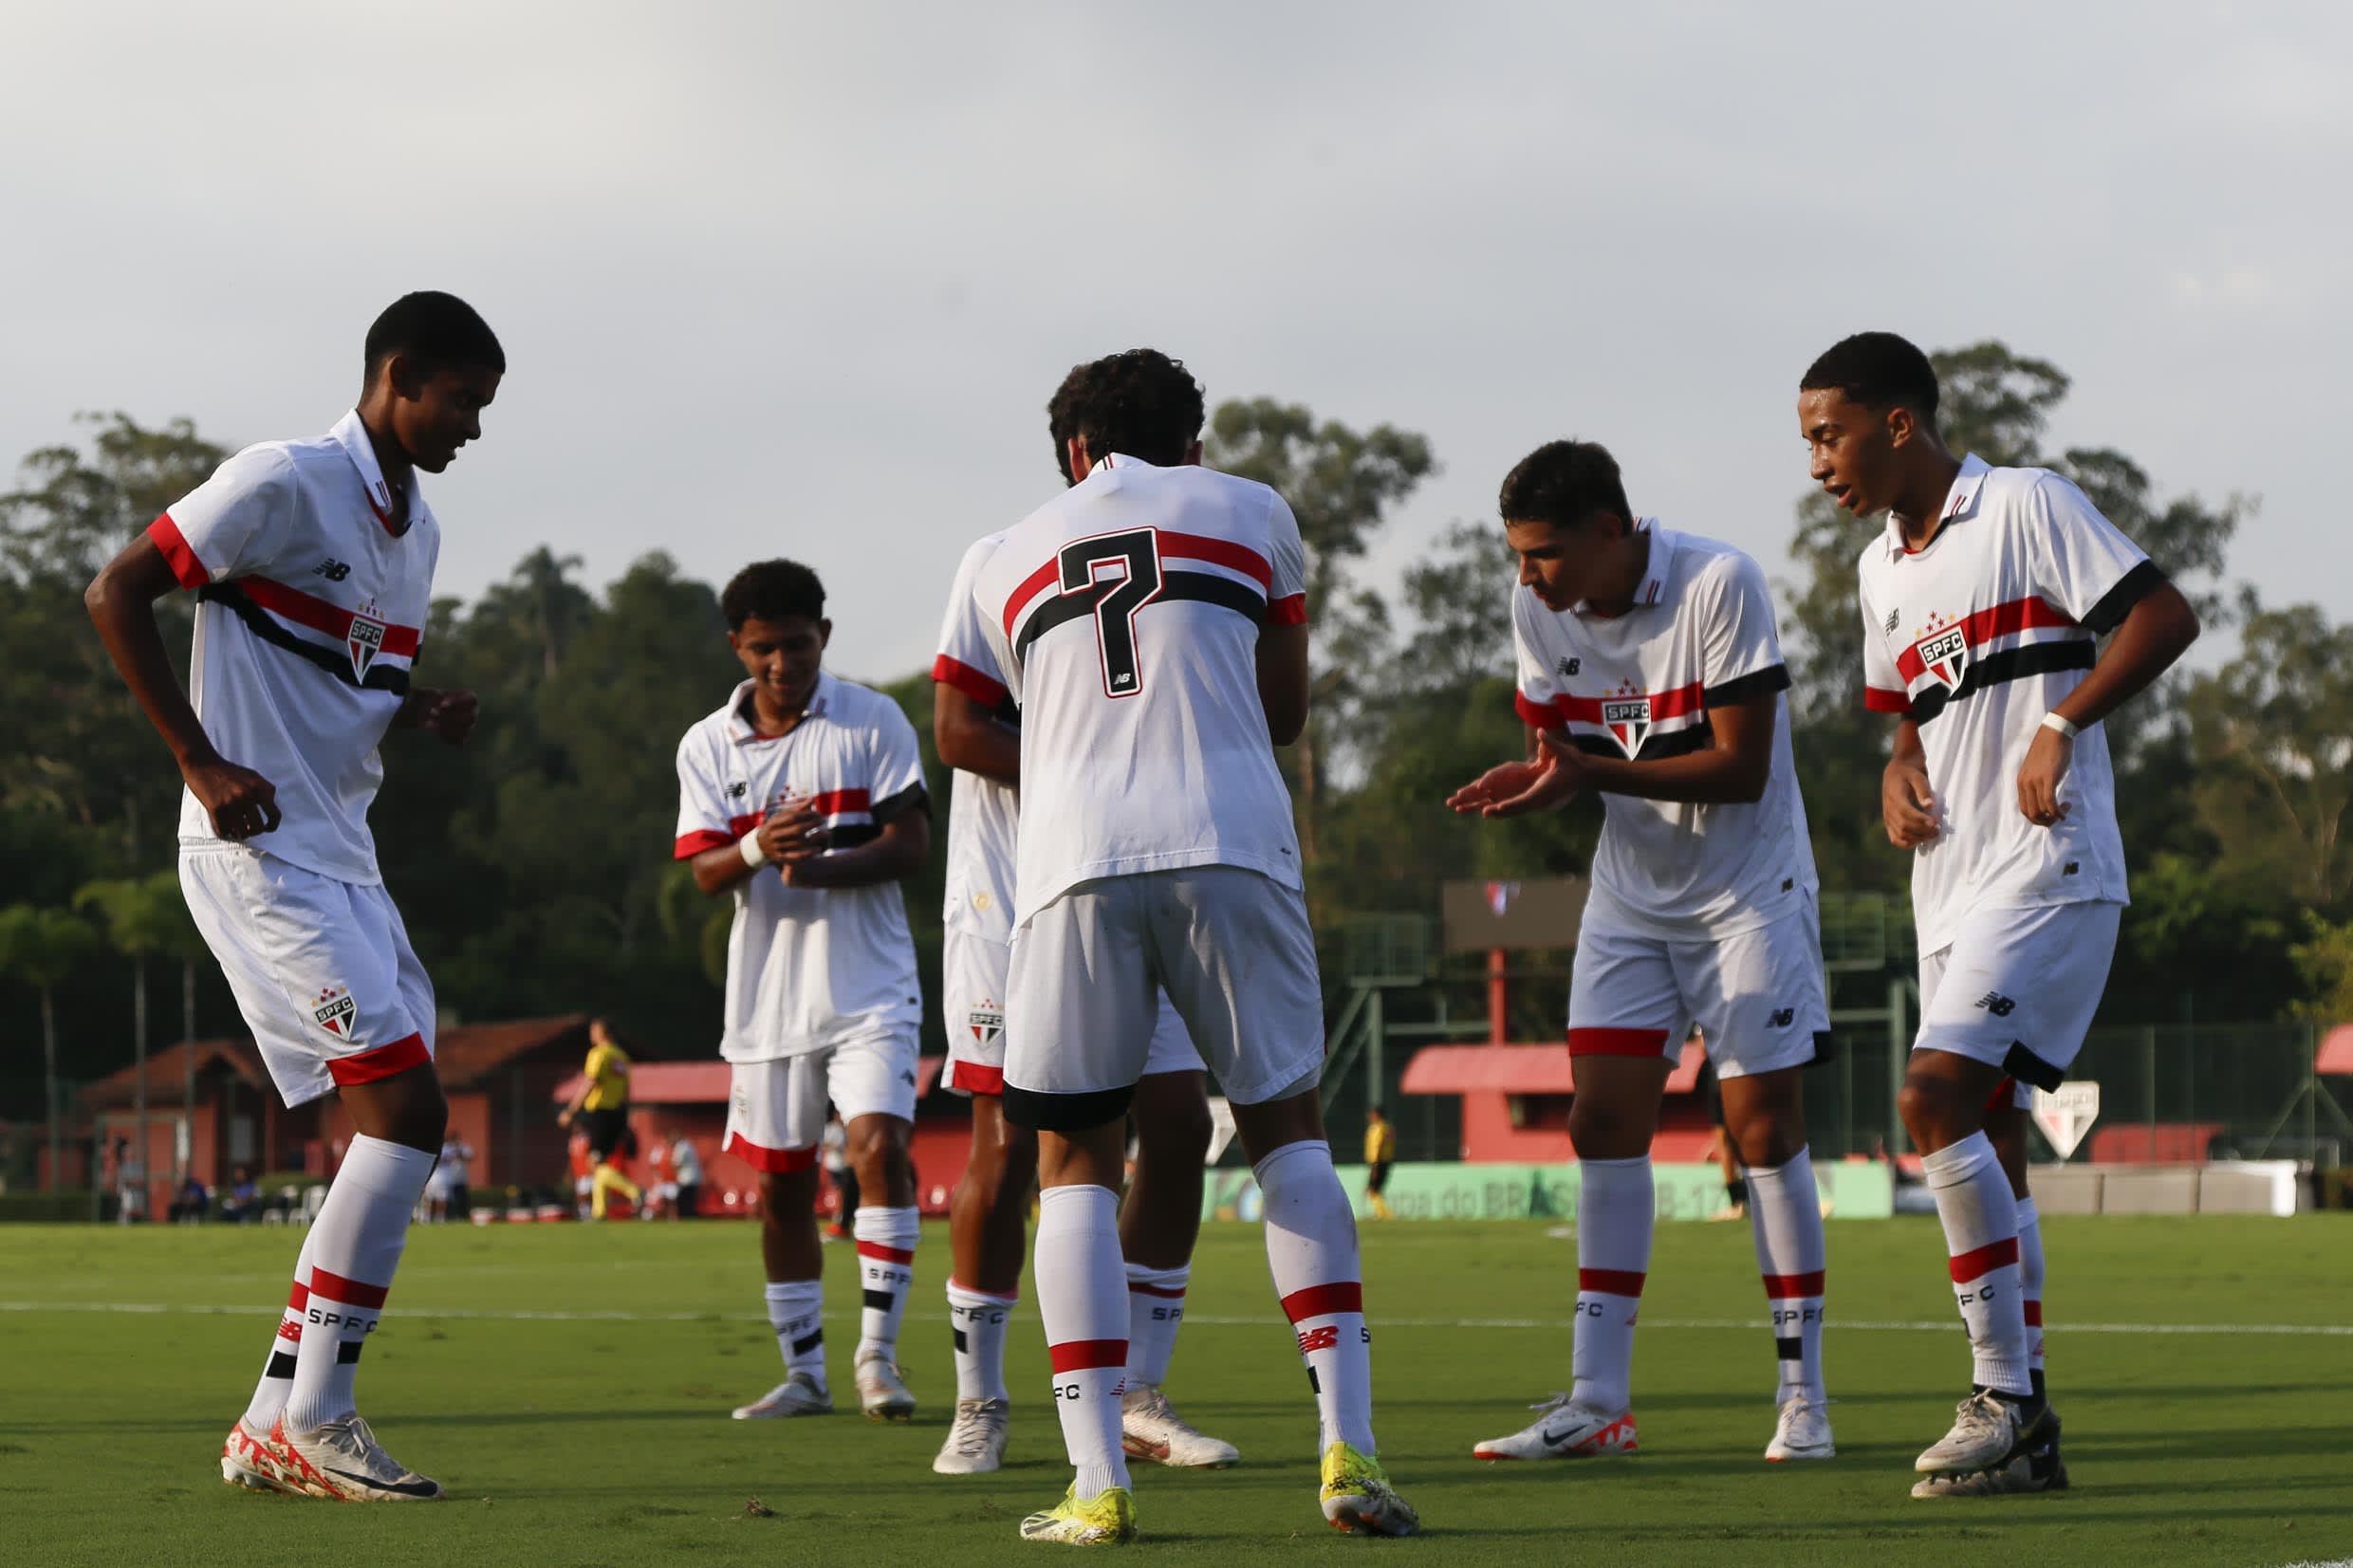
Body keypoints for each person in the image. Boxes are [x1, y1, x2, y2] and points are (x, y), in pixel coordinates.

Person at [972, 348, 1416, 1543]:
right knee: (1284, 1130)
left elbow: (975, 716)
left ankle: (1093, 1483)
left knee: (1072, 1161)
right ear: (1193, 443)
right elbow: (1283, 710)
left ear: (1074, 452)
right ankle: (1348, 1456)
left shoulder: (1000, 552)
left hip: (1067, 862)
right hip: (1228, 838)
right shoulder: (1256, 511)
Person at [83, 290, 501, 1502]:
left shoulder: (416, 530)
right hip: (257, 856)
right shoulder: (283, 478)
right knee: (406, 1111)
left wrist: (420, 709)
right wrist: (199, 762)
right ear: (400, 373)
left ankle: (274, 1414)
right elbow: (117, 592)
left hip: (344, 857)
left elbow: (340, 668)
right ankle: (318, 1417)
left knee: (404, 1121)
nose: (471, 428)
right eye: (462, 402)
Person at [1798, 330, 2200, 1496]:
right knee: (1991, 1128)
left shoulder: (2024, 504)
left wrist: (2060, 723)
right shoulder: (1878, 570)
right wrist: (1893, 766)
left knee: (1926, 1098)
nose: (1817, 462)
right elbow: (1906, 711)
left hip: (2045, 867)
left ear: (1896, 423)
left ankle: (2001, 1398)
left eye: (1827, 434)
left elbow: (2161, 617)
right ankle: (2029, 1433)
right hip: (1947, 882)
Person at [1448, 438, 1836, 1466]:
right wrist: (1540, 774)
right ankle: (1595, 1403)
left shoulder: (1719, 581)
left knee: (1760, 1128)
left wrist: (1582, 777)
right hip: (1629, 896)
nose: (1525, 578)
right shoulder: (1539, 606)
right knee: (1598, 1121)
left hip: (1747, 892)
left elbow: (1743, 768)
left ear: (1609, 532)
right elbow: (1558, 751)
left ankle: (1802, 1398)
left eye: (1542, 555)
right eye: (1518, 557)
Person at [925, 417, 1243, 1478]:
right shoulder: (1002, 556)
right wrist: (1093, 765)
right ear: (1078, 453)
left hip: (1144, 874)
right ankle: (979, 1401)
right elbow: (960, 731)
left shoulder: (1199, 558)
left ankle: (1138, 1391)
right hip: (1018, 888)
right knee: (1011, 1147)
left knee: (1172, 1121)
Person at [673, 559, 931, 1422]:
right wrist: (756, 848)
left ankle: (877, 1359)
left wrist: (815, 866)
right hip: (768, 1002)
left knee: (878, 1150)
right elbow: (705, 872)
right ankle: (805, 1373)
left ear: (824, 633)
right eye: (763, 649)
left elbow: (910, 843)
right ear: (737, 648)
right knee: (782, 1184)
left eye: (797, 643)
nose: (783, 663)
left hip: (871, 988)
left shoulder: (873, 719)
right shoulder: (707, 744)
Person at [559, 1020, 640, 1219]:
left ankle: (635, 1192)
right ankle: (599, 1212)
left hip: (601, 1113)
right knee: (601, 1162)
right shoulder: (621, 1057)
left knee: (595, 1164)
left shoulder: (599, 1054)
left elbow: (590, 1082)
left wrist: (570, 1111)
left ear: (601, 1032)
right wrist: (627, 1116)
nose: (591, 1035)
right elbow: (626, 1091)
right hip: (618, 1112)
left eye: (593, 1031)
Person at [819, 1114, 857, 1239]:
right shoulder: (831, 1128)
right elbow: (822, 1143)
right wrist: (834, 1146)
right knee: (840, 1189)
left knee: (844, 1190)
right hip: (835, 1164)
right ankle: (841, 1217)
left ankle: (843, 1218)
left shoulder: (848, 1127)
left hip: (845, 1164)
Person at [426, 1134, 472, 1224]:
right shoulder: (441, 1148)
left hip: (443, 1178)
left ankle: (439, 1218)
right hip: (435, 1178)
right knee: (432, 1199)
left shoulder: (448, 1148)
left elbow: (466, 1156)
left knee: (441, 1200)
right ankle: (429, 1218)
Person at [1362, 1107, 1397, 1220]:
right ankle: (1381, 1213)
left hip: (1378, 1161)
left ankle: (1385, 1214)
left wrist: (1375, 1165)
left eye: (1372, 1114)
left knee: (1373, 1190)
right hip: (1384, 1160)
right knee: (1375, 1190)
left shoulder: (1377, 1128)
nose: (1370, 1117)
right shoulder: (1387, 1127)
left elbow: (1378, 1145)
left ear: (1377, 1115)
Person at [671, 1132, 705, 1221]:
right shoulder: (688, 1145)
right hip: (692, 1177)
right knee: (690, 1199)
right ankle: (688, 1216)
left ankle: (685, 1216)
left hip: (687, 1178)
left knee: (683, 1199)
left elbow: (677, 1162)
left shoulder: (681, 1147)